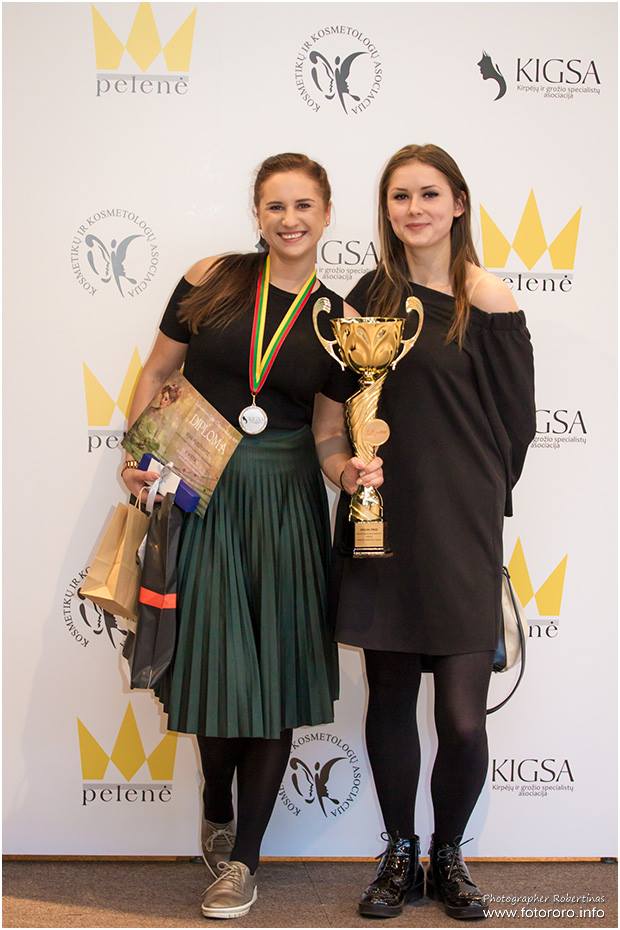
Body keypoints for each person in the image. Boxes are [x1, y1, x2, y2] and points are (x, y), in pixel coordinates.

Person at [120, 153, 383, 920]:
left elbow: (328, 434)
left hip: (286, 502)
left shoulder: (341, 323)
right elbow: (157, 371)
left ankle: (244, 860)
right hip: (201, 492)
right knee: (213, 665)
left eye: (303, 206)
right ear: (257, 213)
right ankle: (216, 799)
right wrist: (138, 454)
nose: (289, 219)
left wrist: (348, 475)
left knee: (272, 680)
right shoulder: (211, 279)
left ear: (327, 213)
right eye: (275, 206)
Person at [331, 144, 536, 920]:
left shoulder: (488, 296)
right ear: (386, 210)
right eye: (399, 196)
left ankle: (448, 855)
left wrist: (470, 493)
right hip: (382, 520)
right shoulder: (368, 298)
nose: (413, 209)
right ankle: (398, 854)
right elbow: (339, 408)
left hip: (460, 526)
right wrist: (350, 471)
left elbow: (517, 427)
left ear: (458, 203)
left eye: (428, 194)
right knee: (388, 697)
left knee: (460, 717)